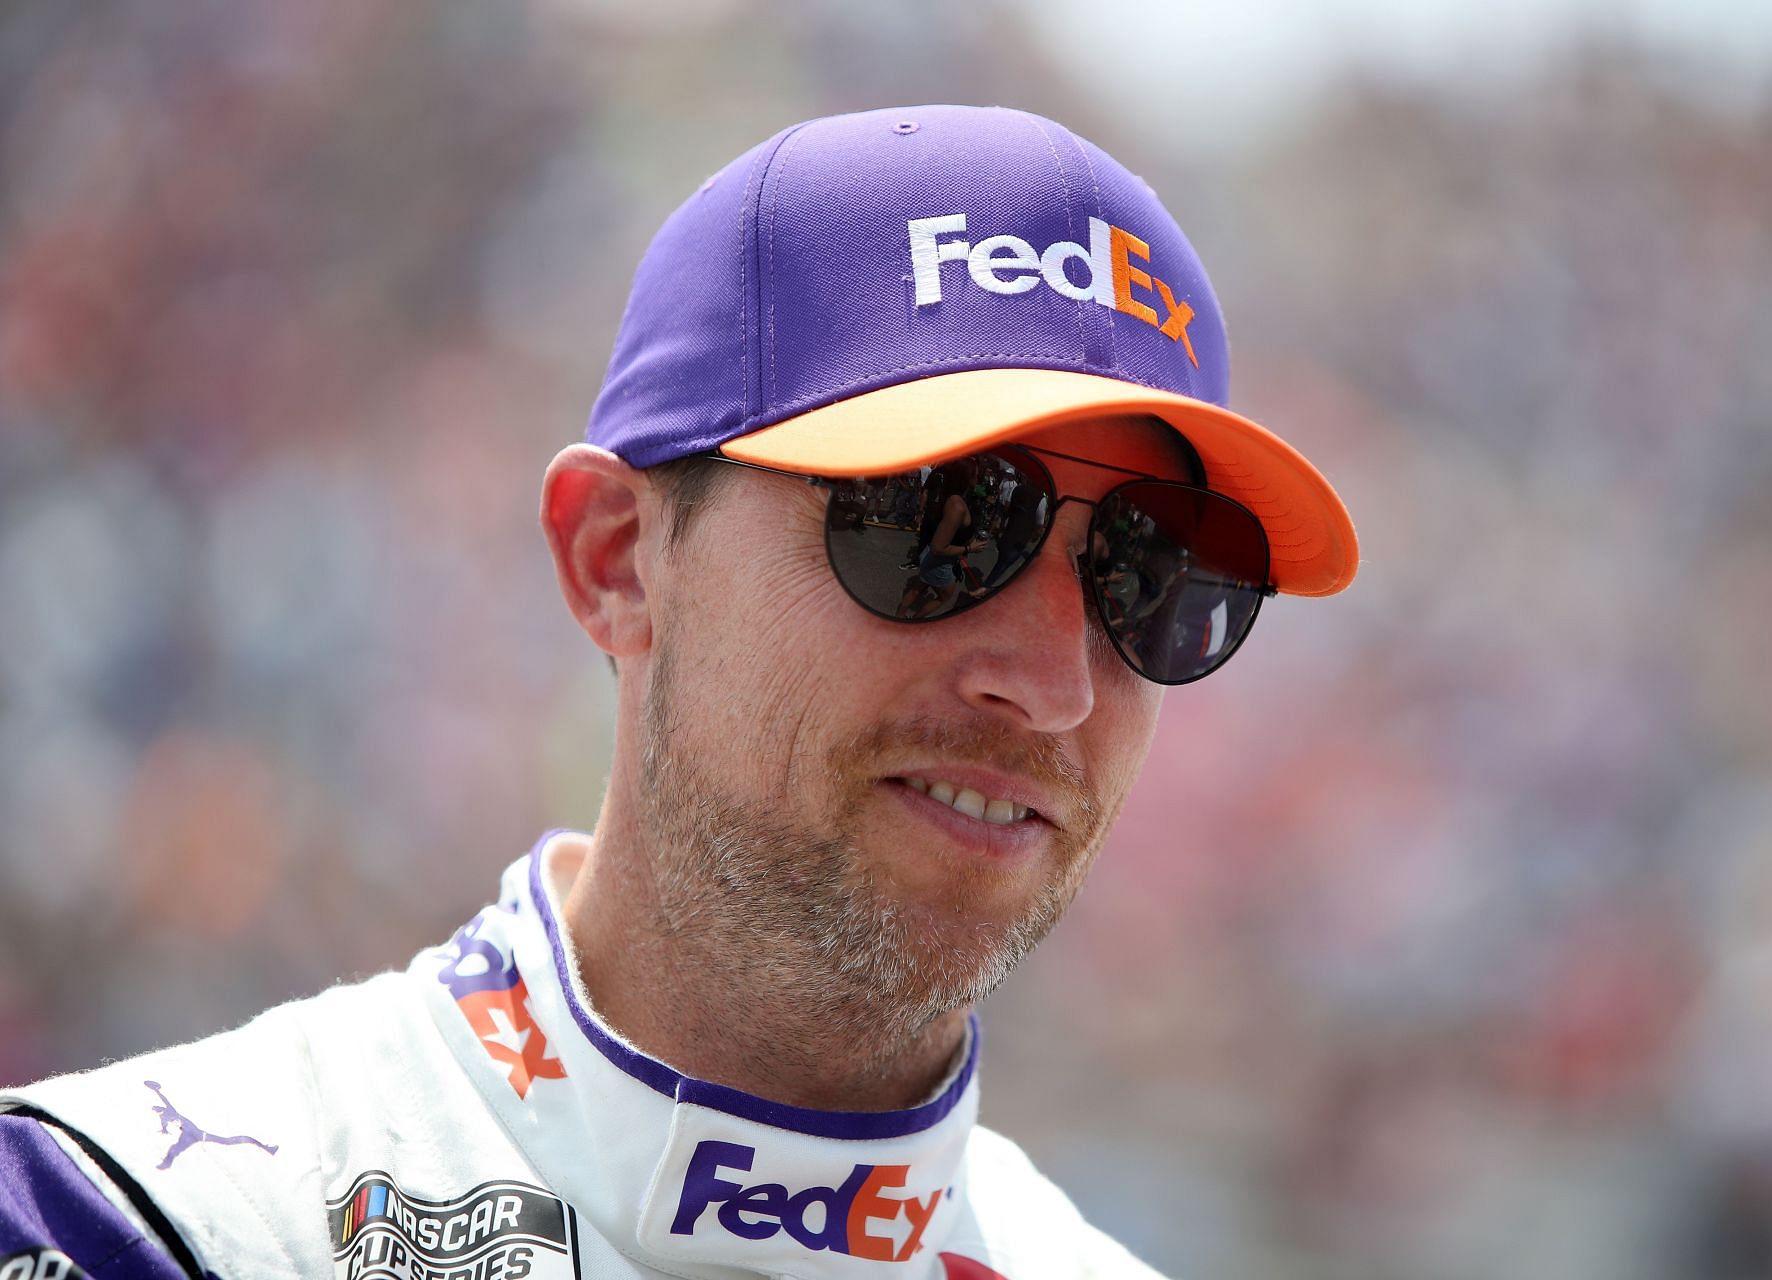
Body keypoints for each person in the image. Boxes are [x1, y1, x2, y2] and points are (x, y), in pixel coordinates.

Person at [0, 104, 1357, 1279]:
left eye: (1158, 574)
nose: (1056, 685)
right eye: (940, 521)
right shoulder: (132, 1223)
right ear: (616, 562)